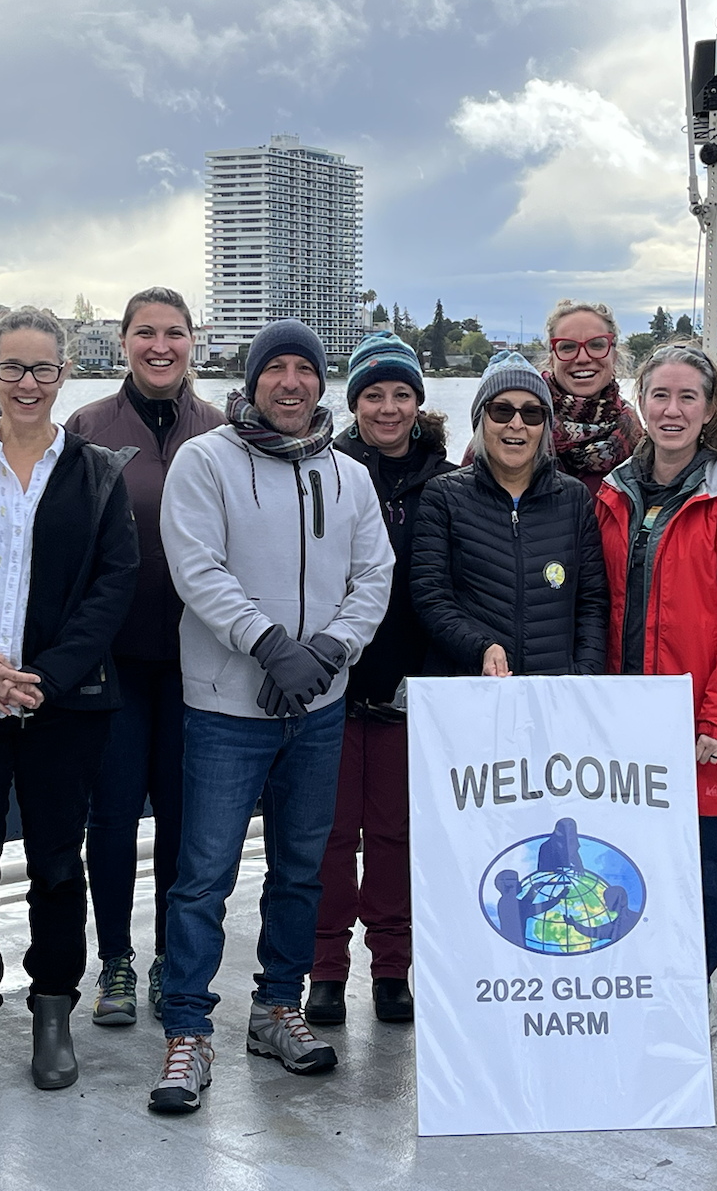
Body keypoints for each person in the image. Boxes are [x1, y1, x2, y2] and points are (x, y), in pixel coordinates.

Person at [149, 319, 394, 1114]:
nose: (290, 382)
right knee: (203, 876)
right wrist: (266, 645)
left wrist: (324, 652)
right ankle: (187, 1028)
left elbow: (374, 576)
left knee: (300, 869)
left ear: (321, 384)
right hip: (226, 706)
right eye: (274, 370)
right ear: (251, 382)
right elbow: (197, 567)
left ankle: (277, 1007)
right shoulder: (206, 460)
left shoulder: (349, 474)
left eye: (304, 370)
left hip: (317, 706)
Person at [0, 308, 140, 1099]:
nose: (28, 384)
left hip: (62, 706)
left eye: (43, 369)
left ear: (64, 373)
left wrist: (42, 675)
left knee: (54, 866)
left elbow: (113, 587)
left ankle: (52, 1012)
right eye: (12, 368)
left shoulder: (98, 472)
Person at [594, 344, 717, 996]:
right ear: (639, 404)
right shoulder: (614, 493)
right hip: (625, 716)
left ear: (710, 409)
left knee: (698, 855)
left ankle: (693, 986)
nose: (672, 410)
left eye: (687, 398)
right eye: (660, 396)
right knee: (626, 855)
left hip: (699, 717)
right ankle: (636, 980)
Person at [67, 287, 223, 1028]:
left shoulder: (220, 430)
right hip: (117, 661)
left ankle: (168, 957)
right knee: (115, 815)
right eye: (145, 333)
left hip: (199, 661)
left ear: (194, 341)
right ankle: (117, 962)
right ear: (124, 341)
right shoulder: (89, 427)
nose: (160, 346)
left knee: (185, 820)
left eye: (174, 333)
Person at [306, 333, 456, 1028]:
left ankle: (392, 967)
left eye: (401, 394)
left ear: (419, 402)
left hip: (410, 688)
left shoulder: (450, 481)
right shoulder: (326, 472)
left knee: (396, 836)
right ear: (354, 402)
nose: (388, 408)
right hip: (335, 686)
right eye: (373, 395)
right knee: (330, 835)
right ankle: (327, 969)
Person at [413, 351, 609, 677]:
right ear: (481, 420)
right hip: (472, 686)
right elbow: (430, 596)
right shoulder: (443, 496)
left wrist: (583, 674)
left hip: (553, 691)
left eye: (532, 414)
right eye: (501, 410)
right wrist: (480, 648)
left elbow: (591, 601)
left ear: (545, 426)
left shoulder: (574, 499)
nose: (516, 424)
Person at [460, 301, 643, 494]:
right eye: (567, 347)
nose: (582, 358)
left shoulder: (637, 439)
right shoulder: (506, 429)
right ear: (551, 358)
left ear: (614, 355)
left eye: (596, 344)